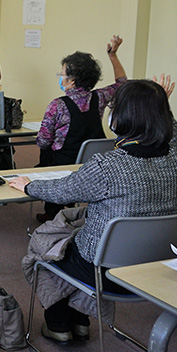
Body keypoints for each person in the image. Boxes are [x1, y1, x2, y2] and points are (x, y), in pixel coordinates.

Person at [11, 75, 177, 344]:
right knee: (74, 236)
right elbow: (176, 139)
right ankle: (79, 320)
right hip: (158, 266)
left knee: (45, 245)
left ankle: (60, 324)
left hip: (106, 272)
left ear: (122, 117)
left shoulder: (108, 166)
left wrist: (28, 186)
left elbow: (62, 191)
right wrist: (162, 105)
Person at [35, 36, 127, 222]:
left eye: (62, 74)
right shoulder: (100, 97)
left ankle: (52, 210)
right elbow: (122, 84)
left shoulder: (57, 105)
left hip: (62, 165)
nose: (60, 77)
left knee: (45, 154)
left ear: (72, 80)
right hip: (92, 163)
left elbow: (43, 140)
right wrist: (113, 56)